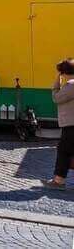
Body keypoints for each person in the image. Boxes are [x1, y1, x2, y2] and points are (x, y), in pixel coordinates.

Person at [43, 58, 74, 190]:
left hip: (71, 124)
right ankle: (58, 179)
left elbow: (56, 98)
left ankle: (58, 181)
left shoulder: (71, 85)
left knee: (63, 151)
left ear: (64, 72)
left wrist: (57, 81)